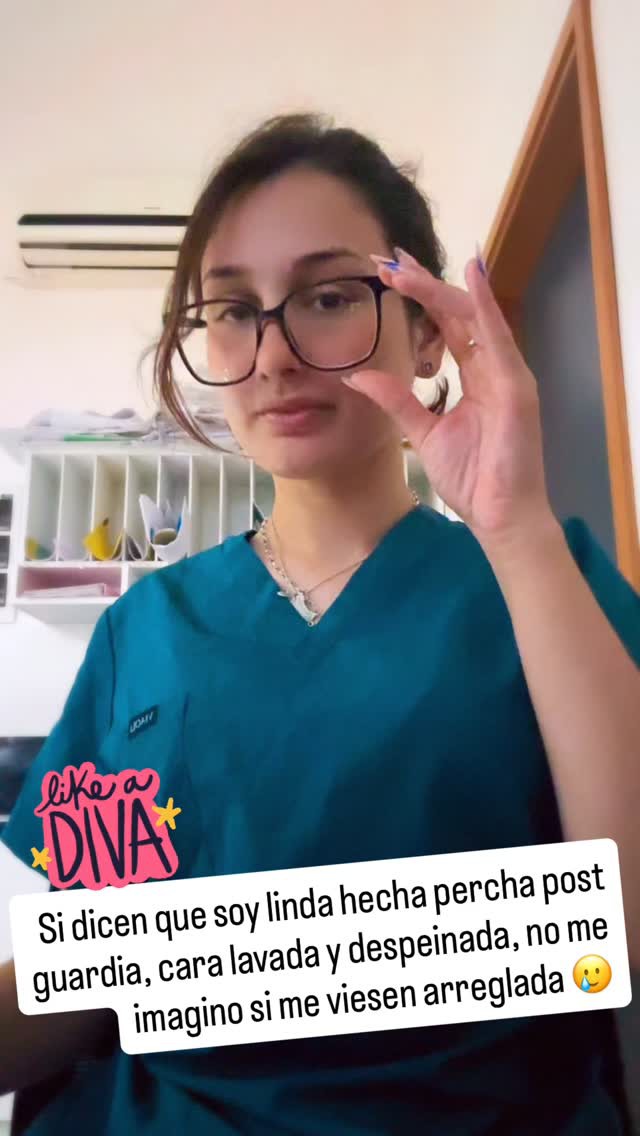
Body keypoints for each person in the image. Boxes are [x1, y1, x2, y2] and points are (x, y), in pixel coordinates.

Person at [2, 112, 639, 1135]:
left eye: (329, 297)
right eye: (232, 309)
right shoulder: (144, 631)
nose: (272, 355)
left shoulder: (542, 578)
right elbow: (90, 975)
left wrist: (514, 526)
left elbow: (621, 921)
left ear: (426, 329)